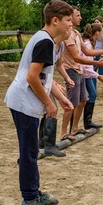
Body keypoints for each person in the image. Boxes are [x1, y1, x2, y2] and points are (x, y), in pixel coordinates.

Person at [4, 0, 74, 205]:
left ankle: (34, 193)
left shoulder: (47, 41)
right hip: (24, 102)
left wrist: (60, 98)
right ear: (55, 20)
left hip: (26, 102)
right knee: (28, 152)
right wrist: (48, 103)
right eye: (68, 20)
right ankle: (29, 200)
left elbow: (43, 76)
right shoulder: (45, 42)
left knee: (32, 150)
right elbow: (32, 78)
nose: (71, 24)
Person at [60, 6, 103, 142]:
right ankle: (63, 133)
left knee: (83, 100)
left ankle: (74, 128)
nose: (80, 18)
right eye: (77, 15)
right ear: (70, 17)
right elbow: (76, 57)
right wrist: (97, 64)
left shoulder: (76, 34)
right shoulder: (68, 35)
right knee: (71, 104)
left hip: (78, 70)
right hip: (71, 70)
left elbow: (86, 51)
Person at [38, 27, 75, 157]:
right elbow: (39, 72)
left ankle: (45, 144)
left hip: (46, 81)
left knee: (51, 109)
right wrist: (53, 83)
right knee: (48, 109)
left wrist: (66, 78)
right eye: (68, 26)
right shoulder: (49, 45)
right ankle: (45, 144)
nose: (71, 30)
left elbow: (59, 65)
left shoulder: (61, 46)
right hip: (38, 82)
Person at [82, 23, 103, 130]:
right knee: (90, 95)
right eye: (100, 34)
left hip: (87, 74)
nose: (101, 36)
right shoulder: (87, 45)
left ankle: (88, 121)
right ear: (97, 33)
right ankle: (87, 122)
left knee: (92, 94)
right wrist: (97, 76)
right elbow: (87, 66)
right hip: (85, 74)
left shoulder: (89, 43)